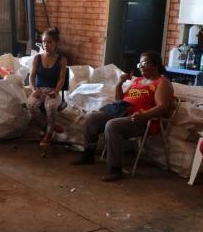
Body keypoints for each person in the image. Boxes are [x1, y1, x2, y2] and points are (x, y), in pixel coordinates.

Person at [72, 51, 174, 182]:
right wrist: (120, 83)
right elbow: (120, 99)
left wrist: (145, 115)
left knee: (112, 125)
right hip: (123, 113)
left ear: (155, 65)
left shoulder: (161, 82)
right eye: (140, 64)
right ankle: (88, 153)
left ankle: (115, 168)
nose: (141, 66)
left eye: (145, 63)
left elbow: (163, 107)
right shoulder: (137, 81)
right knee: (93, 118)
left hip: (143, 120)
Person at [27, 28, 68, 146]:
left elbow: (61, 79)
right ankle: (49, 125)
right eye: (44, 41)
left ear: (56, 43)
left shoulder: (62, 60)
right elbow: (32, 77)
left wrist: (56, 91)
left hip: (53, 91)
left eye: (49, 42)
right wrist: (34, 90)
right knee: (31, 105)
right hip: (39, 90)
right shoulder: (37, 58)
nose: (46, 44)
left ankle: (49, 134)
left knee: (50, 106)